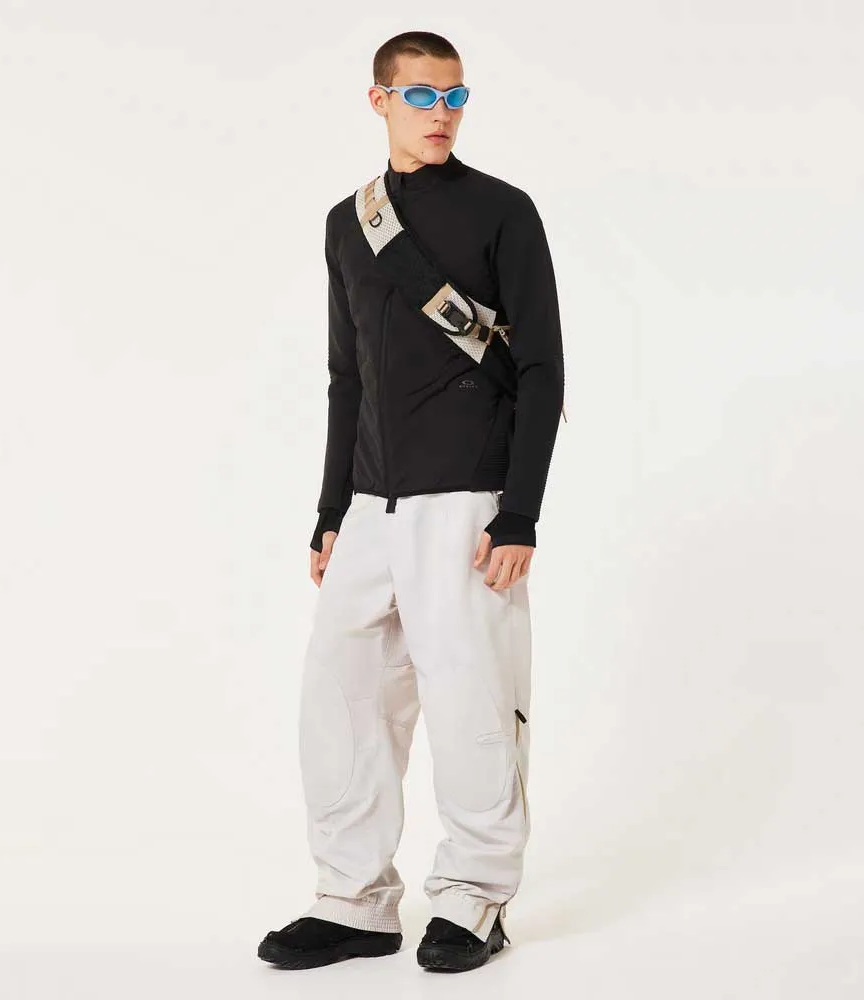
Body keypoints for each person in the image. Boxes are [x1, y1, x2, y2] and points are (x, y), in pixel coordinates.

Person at [258, 29, 564, 974]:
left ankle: (474, 898)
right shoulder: (347, 223)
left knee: (472, 701)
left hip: (467, 500)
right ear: (380, 100)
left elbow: (542, 370)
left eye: (455, 96)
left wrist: (519, 512)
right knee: (343, 702)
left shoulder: (503, 210)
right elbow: (345, 374)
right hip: (368, 504)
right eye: (423, 96)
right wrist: (329, 510)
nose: (442, 114)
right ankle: (354, 901)